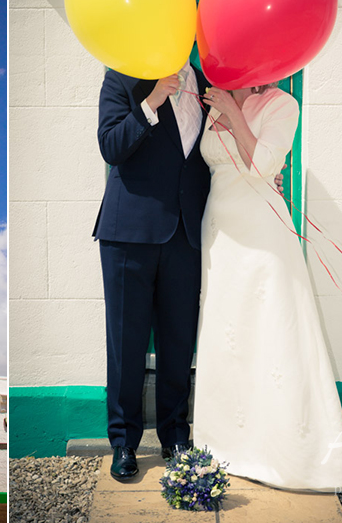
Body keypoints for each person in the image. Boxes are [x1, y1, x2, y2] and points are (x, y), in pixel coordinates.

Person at [193, 83, 342, 503]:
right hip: (220, 232)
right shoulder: (213, 97)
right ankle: (228, 445)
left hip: (262, 230)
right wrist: (222, 104)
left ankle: (286, 450)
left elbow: (261, 167)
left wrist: (233, 113)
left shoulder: (281, 104)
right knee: (228, 337)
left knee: (273, 335)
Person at [94, 60, 218, 481]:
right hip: (129, 233)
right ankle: (124, 443)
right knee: (126, 343)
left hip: (187, 234)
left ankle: (175, 436)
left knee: (178, 343)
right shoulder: (122, 76)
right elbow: (110, 146)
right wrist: (151, 102)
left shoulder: (206, 81)